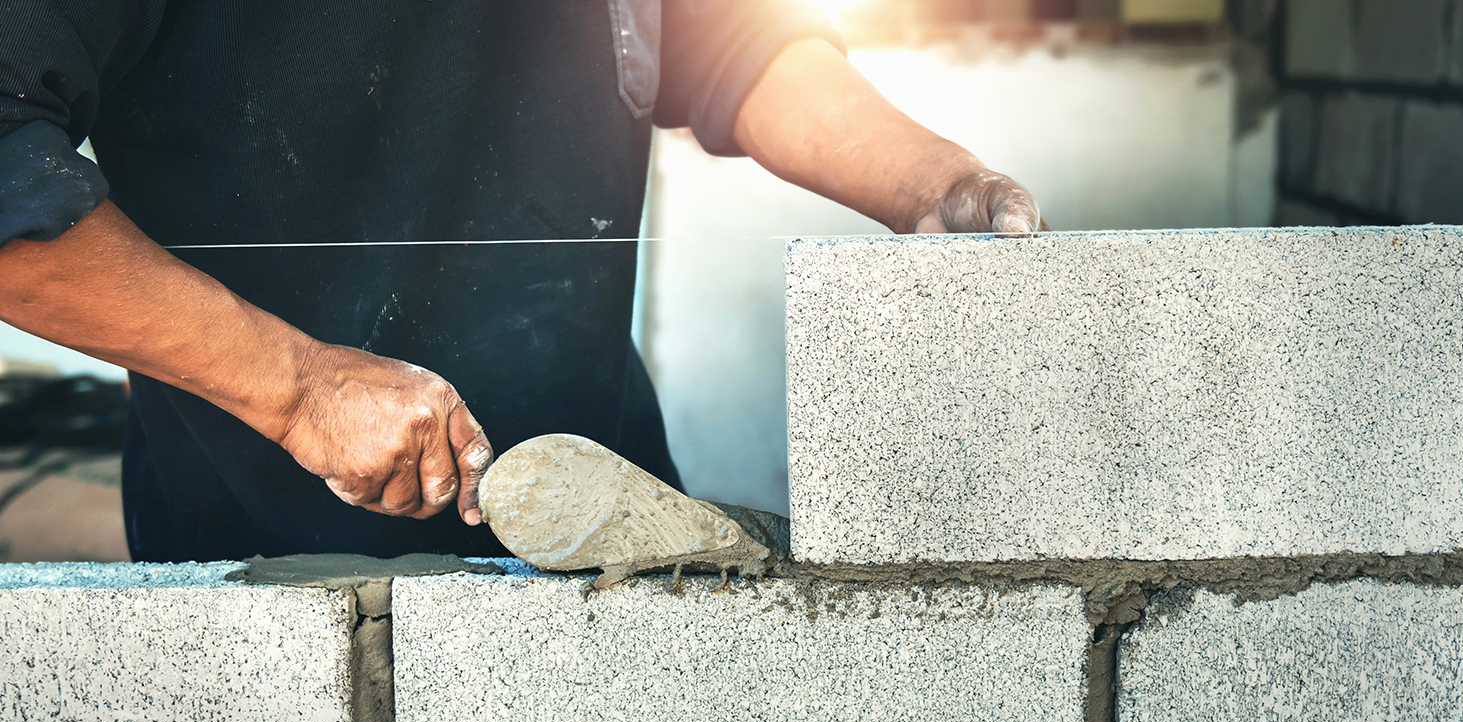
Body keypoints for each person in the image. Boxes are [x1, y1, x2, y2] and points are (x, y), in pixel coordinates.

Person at [0, 0, 1044, 562]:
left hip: (607, 511)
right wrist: (303, 387)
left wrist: (935, 182)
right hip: (264, 559)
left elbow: (723, 38)